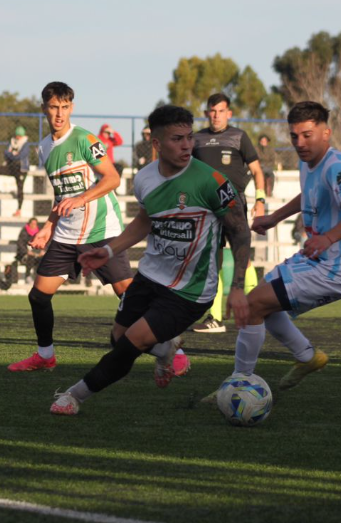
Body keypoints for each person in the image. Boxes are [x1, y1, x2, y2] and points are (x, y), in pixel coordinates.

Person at [49, 104, 251, 416]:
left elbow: (240, 231)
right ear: (156, 144)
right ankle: (164, 349)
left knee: (130, 344)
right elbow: (145, 220)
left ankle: (74, 396)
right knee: (117, 339)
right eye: (176, 139)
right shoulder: (144, 178)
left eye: (189, 138)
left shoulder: (212, 181)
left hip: (190, 291)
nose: (186, 146)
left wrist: (237, 286)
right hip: (150, 276)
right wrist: (110, 250)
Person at [202, 101, 341, 399]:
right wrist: (275, 217)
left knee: (253, 305)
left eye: (307, 135)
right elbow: (310, 194)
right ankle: (307, 357)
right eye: (294, 136)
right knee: (264, 302)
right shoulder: (310, 163)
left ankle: (238, 385)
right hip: (316, 260)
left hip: (337, 267)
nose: (300, 143)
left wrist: (327, 238)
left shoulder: (339, 167)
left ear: (327, 133)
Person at [7, 81, 132, 373]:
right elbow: (60, 193)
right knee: (38, 296)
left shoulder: (86, 140)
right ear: (44, 109)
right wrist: (49, 225)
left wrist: (81, 199)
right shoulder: (44, 148)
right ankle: (45, 355)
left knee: (130, 295)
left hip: (101, 231)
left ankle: (172, 350)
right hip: (66, 235)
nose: (59, 114)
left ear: (71, 108)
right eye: (53, 107)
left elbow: (112, 178)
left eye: (64, 107)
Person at [179, 93, 266, 371]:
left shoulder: (239, 137)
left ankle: (255, 306)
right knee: (213, 260)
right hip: (206, 209)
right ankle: (214, 317)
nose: (215, 115)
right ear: (207, 113)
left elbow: (257, 170)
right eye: (211, 111)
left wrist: (261, 199)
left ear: (229, 112)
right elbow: (185, 170)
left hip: (236, 206)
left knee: (244, 257)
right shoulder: (197, 139)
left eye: (220, 111)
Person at [0, 126, 30, 217]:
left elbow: (20, 156)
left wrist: (12, 154)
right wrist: (13, 155)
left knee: (20, 188)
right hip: (11, 167)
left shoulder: (25, 144)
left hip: (21, 169)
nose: (18, 137)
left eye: (20, 135)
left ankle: (19, 209)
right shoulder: (12, 142)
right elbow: (6, 153)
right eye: (17, 135)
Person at [16, 217, 44, 282]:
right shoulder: (24, 232)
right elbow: (20, 243)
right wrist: (26, 251)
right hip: (25, 254)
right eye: (32, 223)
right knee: (31, 258)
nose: (33, 225)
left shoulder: (40, 232)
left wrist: (43, 251)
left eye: (35, 224)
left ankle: (41, 277)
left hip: (38, 253)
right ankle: (28, 276)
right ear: (29, 224)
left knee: (43, 260)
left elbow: (45, 242)